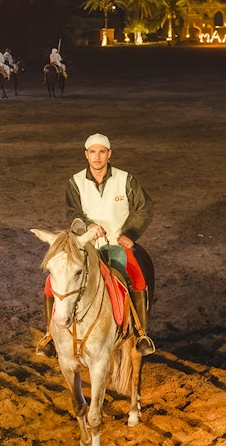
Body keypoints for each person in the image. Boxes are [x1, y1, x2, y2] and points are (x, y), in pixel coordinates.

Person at [38, 133, 156, 357]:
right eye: (93, 152)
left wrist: (131, 233)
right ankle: (49, 335)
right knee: (51, 282)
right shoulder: (75, 182)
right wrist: (88, 226)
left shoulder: (125, 179)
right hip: (84, 242)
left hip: (115, 241)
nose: (97, 157)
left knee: (137, 276)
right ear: (86, 155)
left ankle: (141, 333)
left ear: (109, 154)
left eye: (102, 152)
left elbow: (145, 207)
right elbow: (73, 212)